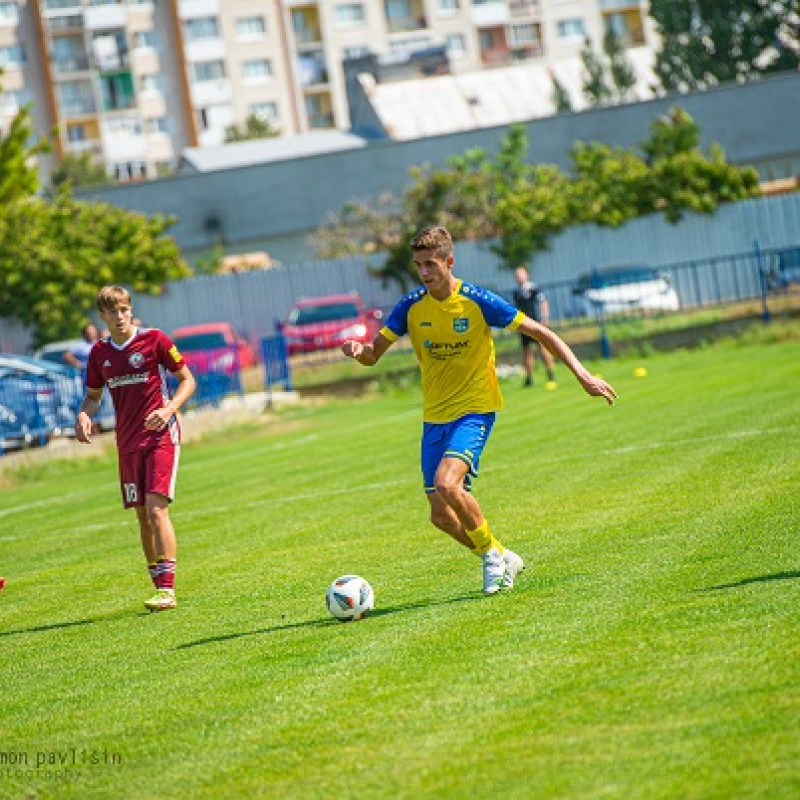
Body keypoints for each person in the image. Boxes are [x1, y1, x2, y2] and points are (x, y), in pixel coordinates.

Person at [342, 226, 617, 595]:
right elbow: (374, 355)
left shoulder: (477, 300)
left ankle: (489, 557)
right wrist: (359, 352)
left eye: (431, 265)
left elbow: (541, 332)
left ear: (449, 261)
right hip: (434, 416)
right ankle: (505, 555)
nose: (424, 273)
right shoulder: (410, 307)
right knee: (440, 515)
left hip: (475, 408)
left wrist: (582, 375)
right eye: (419, 266)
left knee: (447, 483)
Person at [74, 286, 196, 612]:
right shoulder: (99, 354)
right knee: (142, 515)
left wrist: (169, 409)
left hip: (160, 437)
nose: (120, 316)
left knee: (157, 508)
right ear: (102, 316)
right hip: (127, 443)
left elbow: (187, 380)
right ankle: (158, 588)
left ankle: (169, 590)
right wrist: (84, 414)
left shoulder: (155, 340)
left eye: (124, 309)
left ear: (130, 310)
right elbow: (93, 396)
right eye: (112, 311)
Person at [512, 266, 556, 388]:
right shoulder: (516, 292)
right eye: (517, 275)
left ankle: (550, 374)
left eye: (521, 274)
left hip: (535, 324)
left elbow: (543, 302)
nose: (519, 277)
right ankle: (529, 378)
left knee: (543, 348)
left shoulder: (533, 289)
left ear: (527, 275)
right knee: (526, 352)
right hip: (522, 326)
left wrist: (545, 317)